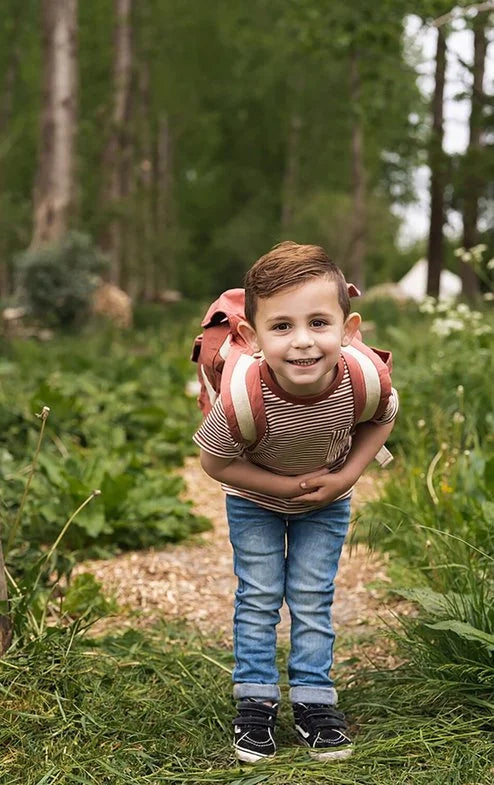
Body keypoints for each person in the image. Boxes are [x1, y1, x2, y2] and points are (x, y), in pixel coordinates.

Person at [193, 241, 398, 764]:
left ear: (349, 329)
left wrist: (347, 476)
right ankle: (255, 701)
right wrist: (280, 488)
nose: (303, 342)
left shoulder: (364, 379)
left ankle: (314, 701)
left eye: (319, 323)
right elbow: (213, 463)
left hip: (328, 499)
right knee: (260, 596)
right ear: (250, 336)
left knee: (311, 596)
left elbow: (384, 419)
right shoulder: (243, 397)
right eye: (281, 327)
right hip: (255, 499)